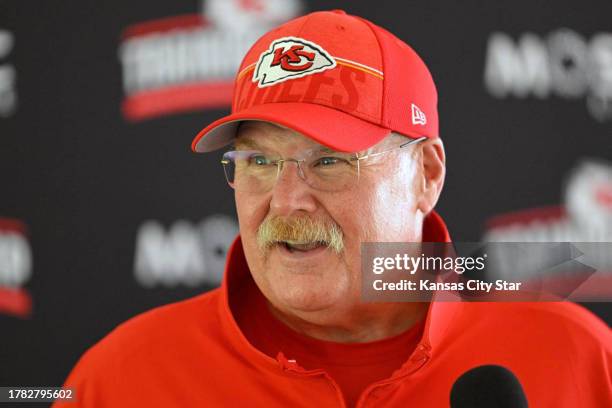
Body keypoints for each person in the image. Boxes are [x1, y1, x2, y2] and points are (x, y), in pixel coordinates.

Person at [55, 10, 611, 407]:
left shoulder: (582, 359)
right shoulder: (118, 379)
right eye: (258, 163)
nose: (287, 200)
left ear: (427, 174)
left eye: (329, 162)